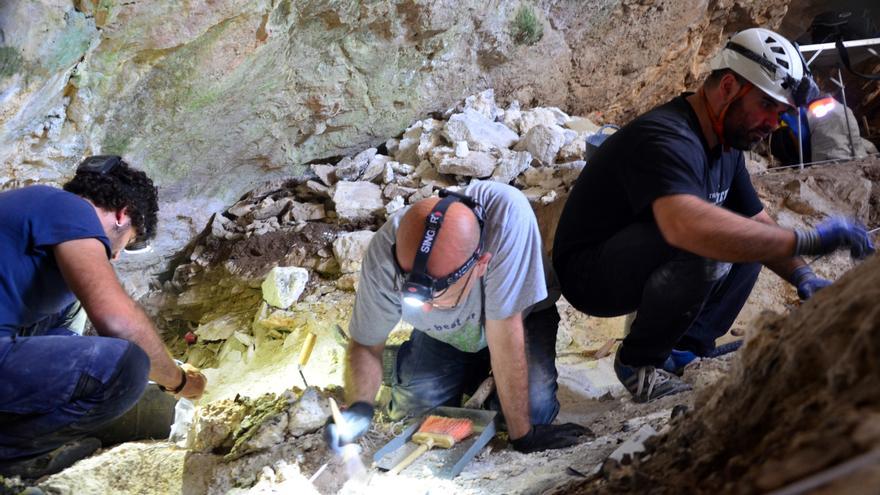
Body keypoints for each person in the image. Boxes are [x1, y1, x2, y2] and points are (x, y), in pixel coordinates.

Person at [552, 27, 875, 403]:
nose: (774, 123)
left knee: (750, 243)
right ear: (727, 88)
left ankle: (684, 353)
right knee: (712, 244)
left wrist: (803, 275)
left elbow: (757, 224)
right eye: (768, 106)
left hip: (641, 254)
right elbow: (685, 226)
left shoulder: (726, 145)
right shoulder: (667, 137)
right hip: (590, 274)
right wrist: (810, 238)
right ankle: (638, 364)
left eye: (782, 113)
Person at [325, 181, 588, 455]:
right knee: (416, 412)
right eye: (416, 298)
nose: (424, 309)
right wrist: (360, 408)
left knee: (531, 414)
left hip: (520, 321)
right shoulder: (386, 251)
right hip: (446, 333)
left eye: (437, 297)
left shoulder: (507, 220)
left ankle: (474, 374)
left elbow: (505, 332)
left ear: (480, 265)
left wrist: (523, 436)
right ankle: (455, 369)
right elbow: (366, 344)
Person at [0, 155, 207, 478]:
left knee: (68, 311)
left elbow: (64, 340)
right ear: (124, 214)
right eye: (129, 240)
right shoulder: (72, 209)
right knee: (128, 368)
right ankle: (10, 460)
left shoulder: (35, 208)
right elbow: (117, 320)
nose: (117, 253)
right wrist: (179, 382)